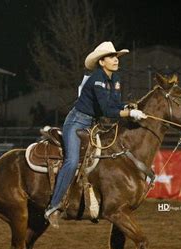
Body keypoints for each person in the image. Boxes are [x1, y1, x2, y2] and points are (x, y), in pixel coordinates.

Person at [44, 41, 148, 228]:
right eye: (111, 57)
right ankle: (53, 206)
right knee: (72, 161)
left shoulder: (115, 79)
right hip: (76, 122)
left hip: (91, 124)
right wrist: (130, 113)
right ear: (102, 62)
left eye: (116, 57)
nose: (116, 60)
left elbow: (114, 104)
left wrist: (127, 107)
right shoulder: (97, 80)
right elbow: (107, 110)